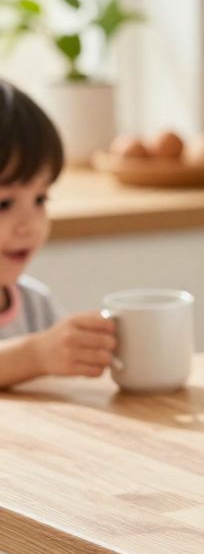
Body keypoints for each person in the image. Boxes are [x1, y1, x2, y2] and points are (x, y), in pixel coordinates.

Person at [0, 80, 117, 386]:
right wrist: (35, 356)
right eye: (4, 204)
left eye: (40, 199)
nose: (29, 224)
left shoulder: (35, 304)